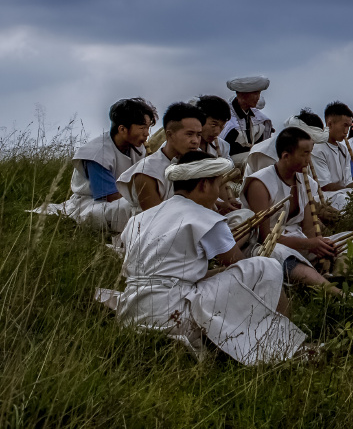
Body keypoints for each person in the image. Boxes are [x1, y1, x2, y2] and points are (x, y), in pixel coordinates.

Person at [108, 152, 306, 364]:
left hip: (130, 311)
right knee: (265, 266)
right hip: (173, 312)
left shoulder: (139, 219)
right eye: (217, 185)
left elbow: (170, 275)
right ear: (203, 185)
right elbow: (241, 265)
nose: (218, 195)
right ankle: (284, 345)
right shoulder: (206, 218)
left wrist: (217, 272)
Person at [241, 127, 342, 296]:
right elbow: (264, 237)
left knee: (342, 243)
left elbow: (309, 229)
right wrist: (309, 245)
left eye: (310, 153)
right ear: (286, 156)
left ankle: (337, 276)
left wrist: (319, 244)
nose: (309, 160)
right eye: (304, 154)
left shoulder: (306, 181)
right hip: (267, 247)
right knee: (280, 254)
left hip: (299, 241)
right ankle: (334, 292)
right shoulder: (260, 184)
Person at [64, 98, 157, 232]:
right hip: (91, 204)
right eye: (142, 128)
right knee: (130, 208)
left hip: (123, 200)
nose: (147, 133)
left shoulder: (137, 148)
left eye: (148, 128)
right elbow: (110, 196)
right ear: (122, 129)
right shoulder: (97, 154)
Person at [116, 102, 204, 214]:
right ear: (169, 135)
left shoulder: (200, 159)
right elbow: (158, 220)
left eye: (199, 135)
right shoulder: (146, 172)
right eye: (189, 134)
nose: (195, 141)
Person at [310, 102, 353, 212]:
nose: (346, 131)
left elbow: (348, 182)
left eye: (349, 126)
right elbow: (325, 185)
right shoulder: (318, 148)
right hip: (326, 197)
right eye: (344, 125)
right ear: (330, 124)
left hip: (343, 193)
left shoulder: (343, 149)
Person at [221, 76, 273, 163]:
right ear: (243, 94)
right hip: (229, 159)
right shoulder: (228, 115)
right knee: (257, 160)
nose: (258, 98)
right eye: (256, 94)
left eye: (259, 94)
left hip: (249, 154)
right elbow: (227, 147)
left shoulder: (256, 117)